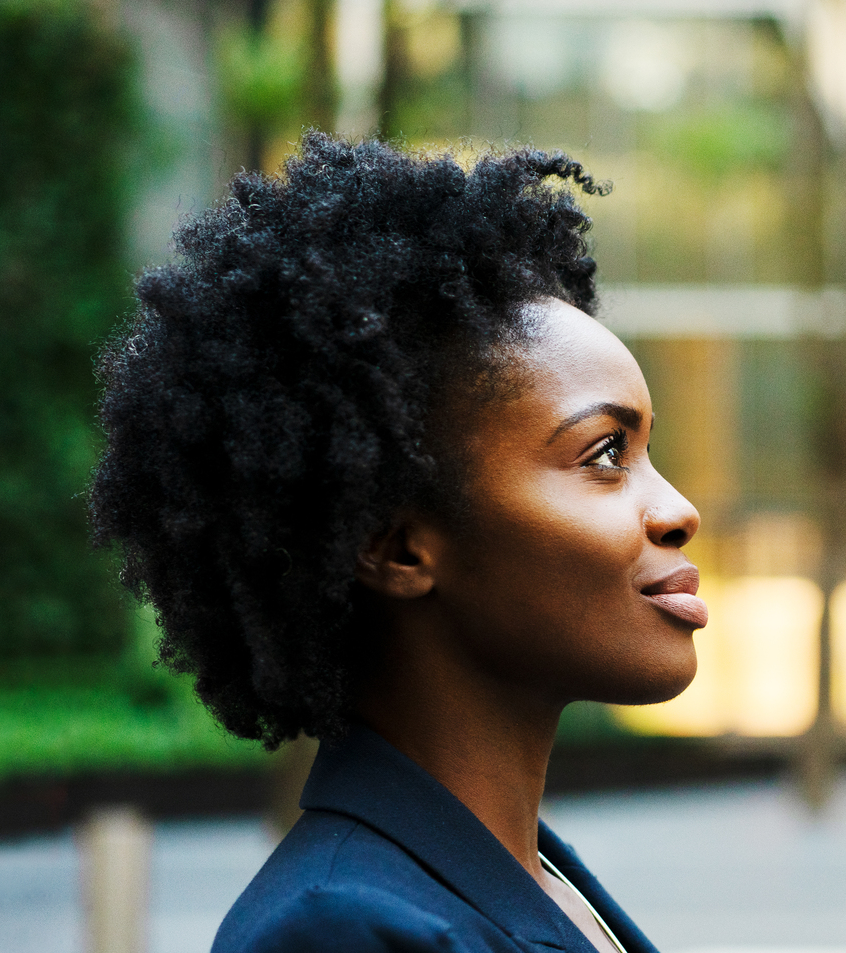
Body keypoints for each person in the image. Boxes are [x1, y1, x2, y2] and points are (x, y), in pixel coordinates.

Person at [89, 132, 704, 953]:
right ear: (399, 548)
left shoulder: (535, 879)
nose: (678, 511)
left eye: (647, 451)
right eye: (604, 455)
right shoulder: (341, 929)